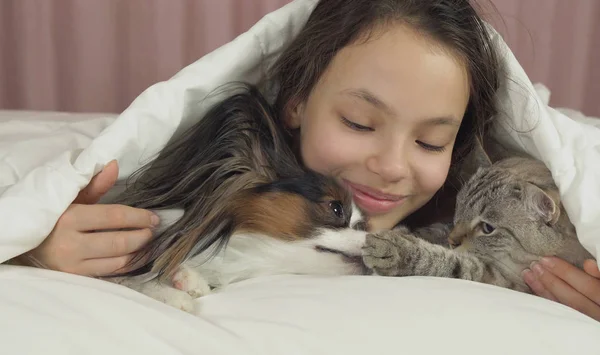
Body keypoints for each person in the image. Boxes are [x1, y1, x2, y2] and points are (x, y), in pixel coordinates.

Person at [20, 0, 600, 320]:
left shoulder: (470, 203)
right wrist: (35, 243)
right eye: (359, 123)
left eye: (429, 143)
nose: (393, 167)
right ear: (295, 102)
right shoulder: (245, 159)